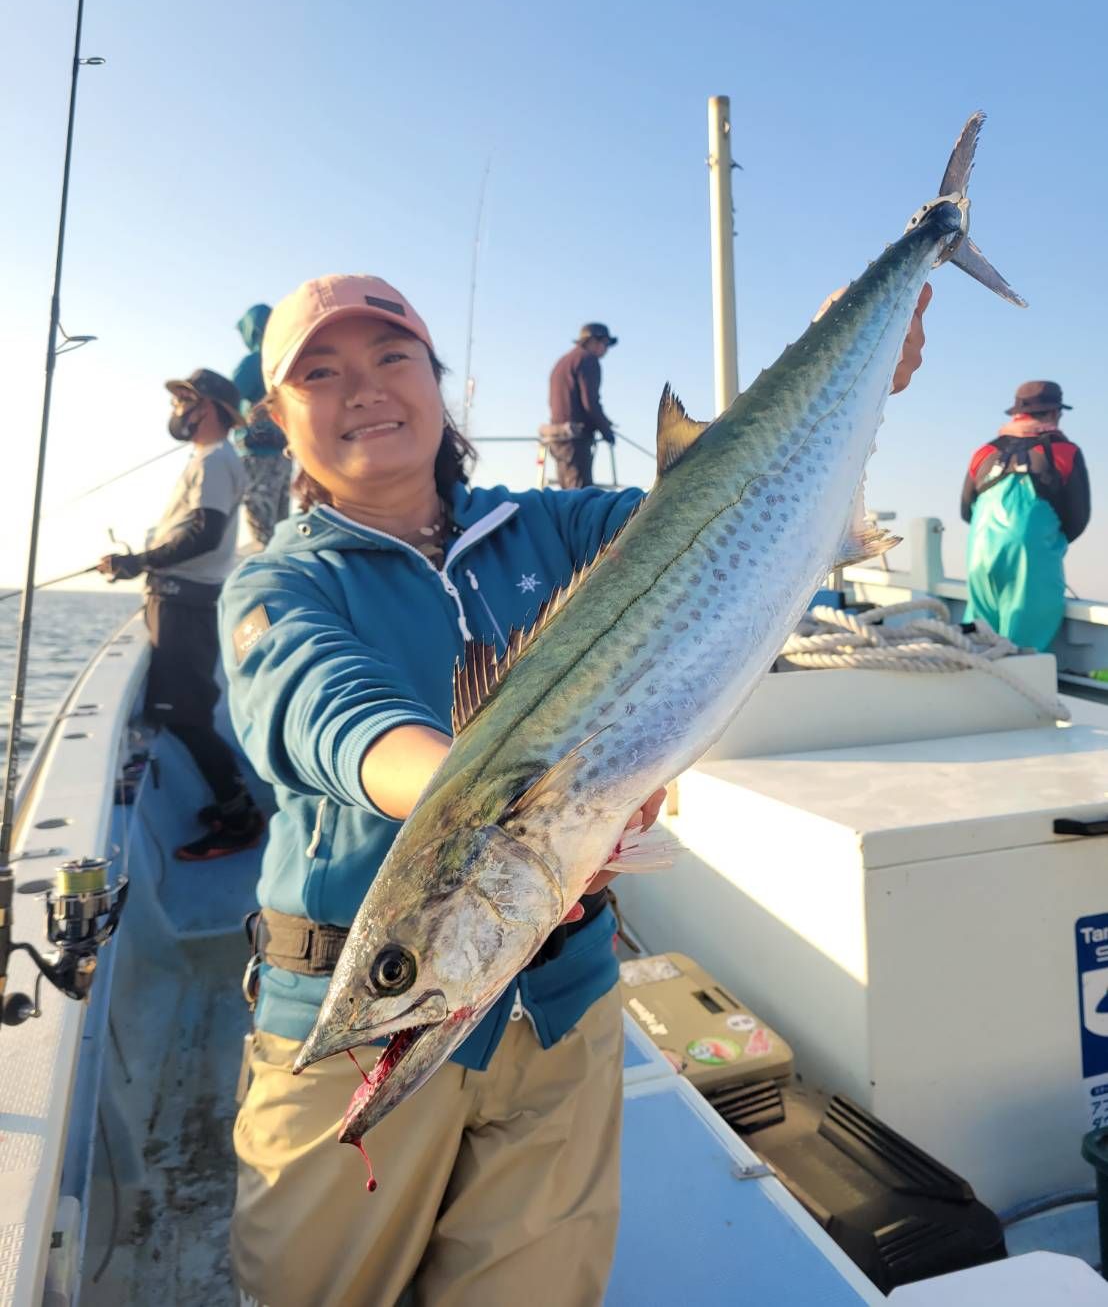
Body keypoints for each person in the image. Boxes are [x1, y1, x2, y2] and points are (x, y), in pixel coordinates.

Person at [220, 274, 930, 1307]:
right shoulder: (280, 584)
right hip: (355, 1030)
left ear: (436, 382)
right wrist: (510, 809)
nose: (363, 388)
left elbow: (727, 517)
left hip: (559, 1011)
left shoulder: (553, 528)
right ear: (279, 419)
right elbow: (327, 712)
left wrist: (845, 358)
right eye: (320, 373)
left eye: (391, 357)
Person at [98, 369, 265, 861]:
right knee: (185, 715)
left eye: (182, 401)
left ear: (206, 408)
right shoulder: (209, 459)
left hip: (184, 604)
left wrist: (138, 562)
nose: (176, 411)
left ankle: (239, 819)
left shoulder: (215, 461)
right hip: (179, 601)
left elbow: (205, 535)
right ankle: (235, 804)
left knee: (187, 719)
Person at [961, 379, 1090, 652]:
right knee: (1021, 653)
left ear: (1017, 413)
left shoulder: (984, 452)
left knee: (977, 644)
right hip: (1031, 560)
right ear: (1054, 413)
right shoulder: (1065, 452)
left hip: (981, 556)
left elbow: (965, 510)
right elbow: (1078, 519)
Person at [231, 303, 293, 546]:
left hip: (256, 455)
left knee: (261, 527)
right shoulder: (284, 361)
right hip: (285, 455)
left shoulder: (253, 362)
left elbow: (228, 397)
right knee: (281, 525)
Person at [545, 321, 618, 488]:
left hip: (558, 438)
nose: (606, 349)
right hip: (576, 441)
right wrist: (606, 431)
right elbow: (590, 403)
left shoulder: (563, 361)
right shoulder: (588, 360)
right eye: (605, 343)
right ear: (592, 341)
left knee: (567, 494)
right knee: (580, 495)